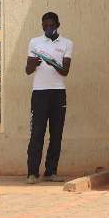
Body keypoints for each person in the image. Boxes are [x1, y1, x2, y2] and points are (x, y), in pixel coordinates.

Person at [25, 11, 72, 183]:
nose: (48, 28)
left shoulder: (67, 43)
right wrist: (33, 62)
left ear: (58, 25)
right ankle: (32, 173)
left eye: (51, 25)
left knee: (56, 134)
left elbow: (65, 71)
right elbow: (28, 70)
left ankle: (51, 171)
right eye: (45, 26)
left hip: (58, 93)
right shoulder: (34, 42)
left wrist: (50, 61)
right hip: (39, 93)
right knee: (37, 133)